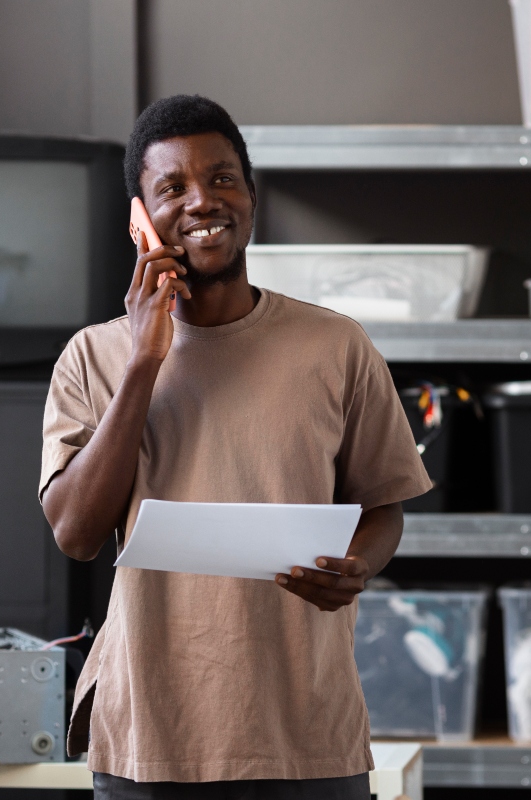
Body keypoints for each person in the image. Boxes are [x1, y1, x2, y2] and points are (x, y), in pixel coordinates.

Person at [38, 94, 431, 800]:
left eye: (222, 178)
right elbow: (75, 531)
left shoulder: (336, 345)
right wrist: (144, 360)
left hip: (306, 732)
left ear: (251, 196)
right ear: (139, 219)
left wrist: (357, 566)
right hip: (151, 737)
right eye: (172, 188)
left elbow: (384, 506)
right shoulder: (93, 357)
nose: (202, 201)